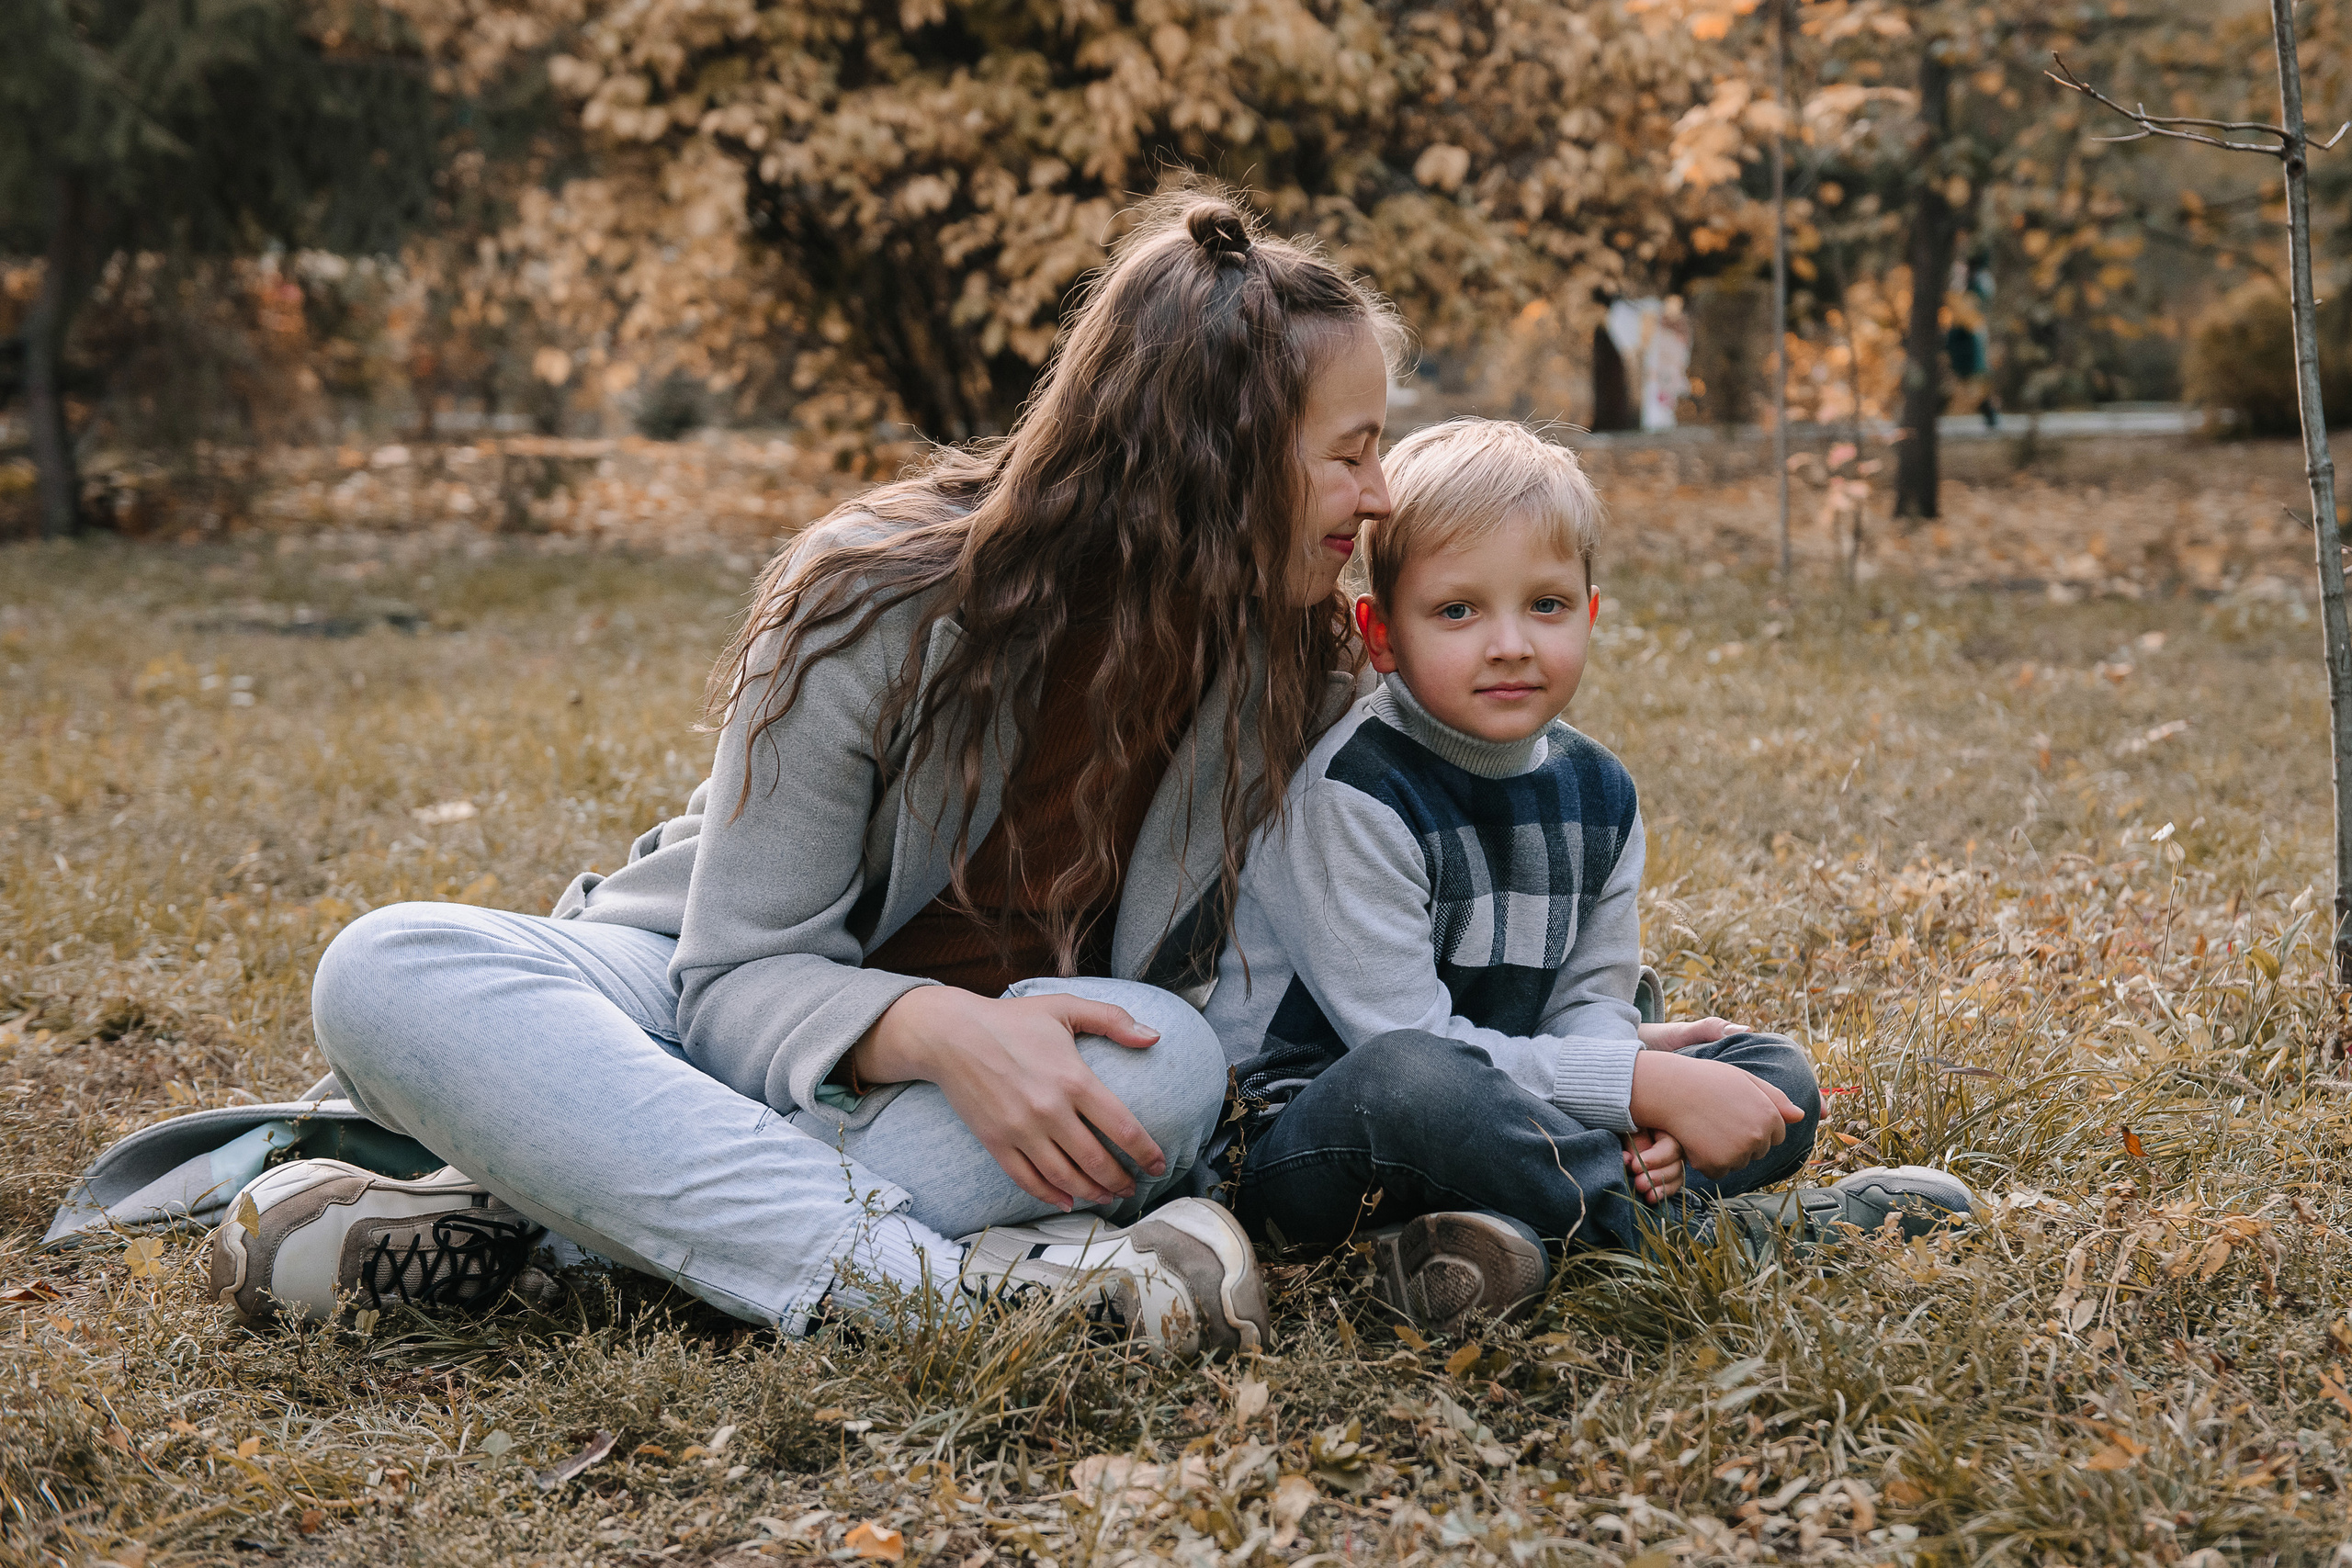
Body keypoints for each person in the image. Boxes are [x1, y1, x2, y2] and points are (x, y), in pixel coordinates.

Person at [202, 194, 1409, 1361]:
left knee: (1170, 1057)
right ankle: (952, 1298)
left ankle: (540, 1218)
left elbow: (1397, 913)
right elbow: (730, 977)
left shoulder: (1296, 666)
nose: (1380, 494)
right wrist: (930, 1025)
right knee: (389, 963)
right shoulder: (870, 587)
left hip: (967, 1102)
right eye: (1350, 453)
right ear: (1219, 453)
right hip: (705, 1009)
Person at [1201, 418, 1973, 1335]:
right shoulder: (1355, 795)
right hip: (1319, 1139)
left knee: (1775, 1080)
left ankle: (1492, 1231)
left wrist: (1641, 1107)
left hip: (1514, 1106)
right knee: (1413, 1077)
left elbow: (1590, 1001)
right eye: (1457, 612)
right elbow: (1409, 1044)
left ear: (1590, 613)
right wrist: (1641, 1090)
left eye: (1546, 605)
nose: (1509, 644)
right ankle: (1711, 1238)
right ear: (1381, 635)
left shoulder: (1598, 790)